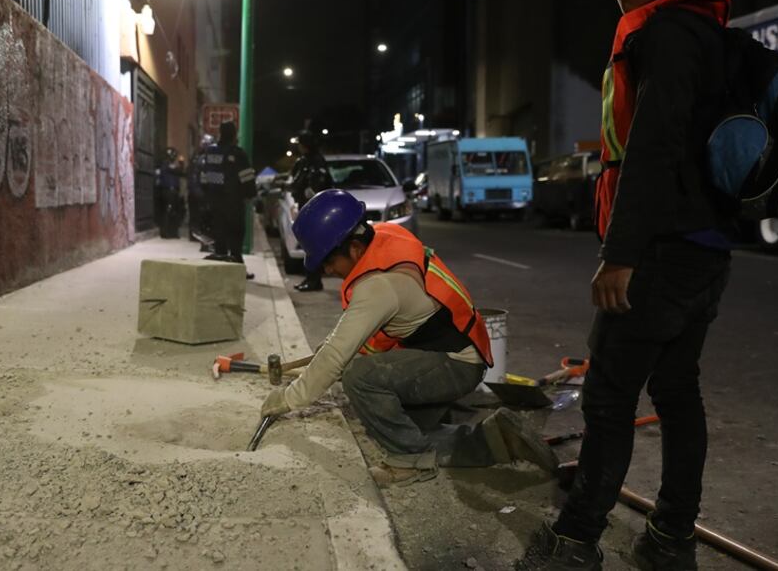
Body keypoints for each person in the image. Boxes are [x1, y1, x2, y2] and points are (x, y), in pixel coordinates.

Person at [517, 0, 733, 569]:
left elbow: (653, 149)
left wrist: (621, 257)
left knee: (609, 398)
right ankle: (671, 539)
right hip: (704, 248)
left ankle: (575, 542)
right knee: (676, 390)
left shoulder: (664, 34)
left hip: (660, 252)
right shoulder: (707, 36)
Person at [259, 189, 558, 486]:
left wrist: (289, 398)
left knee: (358, 379)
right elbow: (373, 329)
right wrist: (337, 351)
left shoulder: (378, 286)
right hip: (454, 351)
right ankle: (498, 439)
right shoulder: (386, 237)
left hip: (454, 364)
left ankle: (410, 464)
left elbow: (337, 356)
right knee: (404, 432)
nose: (326, 269)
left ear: (353, 247)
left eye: (328, 260)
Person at [199, 120, 257, 267]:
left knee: (220, 236)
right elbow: (247, 178)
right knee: (236, 235)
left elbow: (204, 177)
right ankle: (236, 266)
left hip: (215, 201)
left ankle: (221, 269)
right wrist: (250, 195)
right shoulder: (238, 154)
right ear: (234, 135)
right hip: (233, 202)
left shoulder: (210, 152)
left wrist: (208, 196)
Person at [288, 129, 334, 292]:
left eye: (300, 143)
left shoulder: (316, 161)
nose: (299, 147)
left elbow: (319, 184)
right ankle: (311, 278)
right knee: (308, 244)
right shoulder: (304, 161)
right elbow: (296, 180)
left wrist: (309, 194)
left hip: (313, 209)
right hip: (306, 207)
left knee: (312, 245)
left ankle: (313, 280)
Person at [187, 133, 216, 251]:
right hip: (204, 194)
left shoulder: (203, 159)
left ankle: (208, 244)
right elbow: (199, 178)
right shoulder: (202, 160)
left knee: (206, 219)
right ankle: (207, 244)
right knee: (206, 220)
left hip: (205, 193)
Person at [155, 146, 184, 239]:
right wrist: (181, 164)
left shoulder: (166, 165)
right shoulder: (166, 164)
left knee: (173, 211)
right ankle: (167, 232)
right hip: (168, 190)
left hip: (171, 190)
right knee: (169, 210)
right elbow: (178, 170)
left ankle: (171, 231)